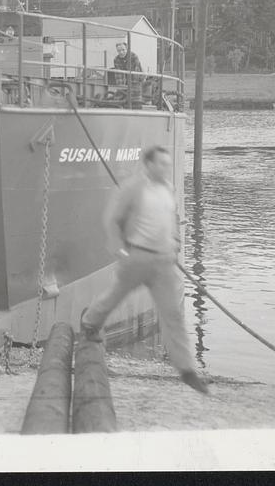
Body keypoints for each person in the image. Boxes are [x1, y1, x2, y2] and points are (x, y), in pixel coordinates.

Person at [79, 146, 209, 394]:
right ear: (148, 164)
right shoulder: (132, 189)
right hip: (137, 257)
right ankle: (89, 323)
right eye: (160, 163)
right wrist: (119, 250)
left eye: (167, 164)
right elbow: (112, 219)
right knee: (115, 296)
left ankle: (187, 370)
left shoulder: (168, 189)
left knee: (173, 316)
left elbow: (173, 219)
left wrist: (176, 244)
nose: (165, 168)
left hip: (163, 262)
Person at [109, 42, 144, 106]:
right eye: (119, 51)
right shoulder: (116, 59)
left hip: (137, 78)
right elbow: (119, 75)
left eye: (123, 50)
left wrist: (132, 88)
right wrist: (121, 89)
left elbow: (136, 73)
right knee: (120, 97)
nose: (121, 52)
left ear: (127, 49)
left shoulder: (133, 56)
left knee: (135, 98)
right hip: (125, 78)